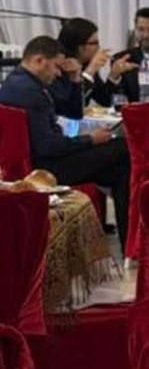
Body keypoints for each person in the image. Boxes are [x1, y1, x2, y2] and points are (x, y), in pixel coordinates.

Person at [0, 36, 131, 243]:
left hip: (46, 158)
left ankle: (130, 244)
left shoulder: (22, 81)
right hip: (44, 168)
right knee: (124, 147)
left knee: (120, 171)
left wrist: (75, 77)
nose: (57, 73)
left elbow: (73, 113)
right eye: (55, 67)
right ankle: (132, 244)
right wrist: (90, 140)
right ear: (39, 60)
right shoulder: (29, 91)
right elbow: (47, 146)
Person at [54, 17, 137, 110]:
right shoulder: (58, 67)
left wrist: (114, 74)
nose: (98, 47)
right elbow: (72, 105)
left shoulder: (86, 64)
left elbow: (105, 100)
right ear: (79, 46)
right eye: (94, 43)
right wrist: (90, 71)